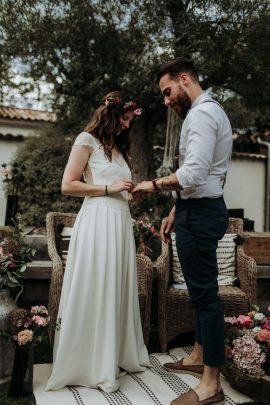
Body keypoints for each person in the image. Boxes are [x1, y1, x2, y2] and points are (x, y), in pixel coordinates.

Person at [132, 58, 232, 405]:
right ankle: (199, 355)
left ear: (185, 79)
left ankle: (211, 385)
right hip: (195, 210)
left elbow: (194, 173)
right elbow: (196, 179)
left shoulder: (203, 114)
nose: (166, 100)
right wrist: (177, 208)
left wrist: (152, 184)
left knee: (206, 299)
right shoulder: (203, 113)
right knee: (197, 291)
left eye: (167, 91)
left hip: (202, 215)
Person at [46, 90, 149, 393]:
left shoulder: (118, 148)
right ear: (111, 114)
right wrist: (110, 188)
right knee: (96, 285)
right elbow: (68, 185)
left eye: (131, 121)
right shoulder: (85, 140)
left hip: (119, 221)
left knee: (115, 287)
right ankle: (88, 363)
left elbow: (118, 188)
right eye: (125, 119)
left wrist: (132, 192)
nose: (128, 126)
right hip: (97, 220)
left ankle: (114, 355)